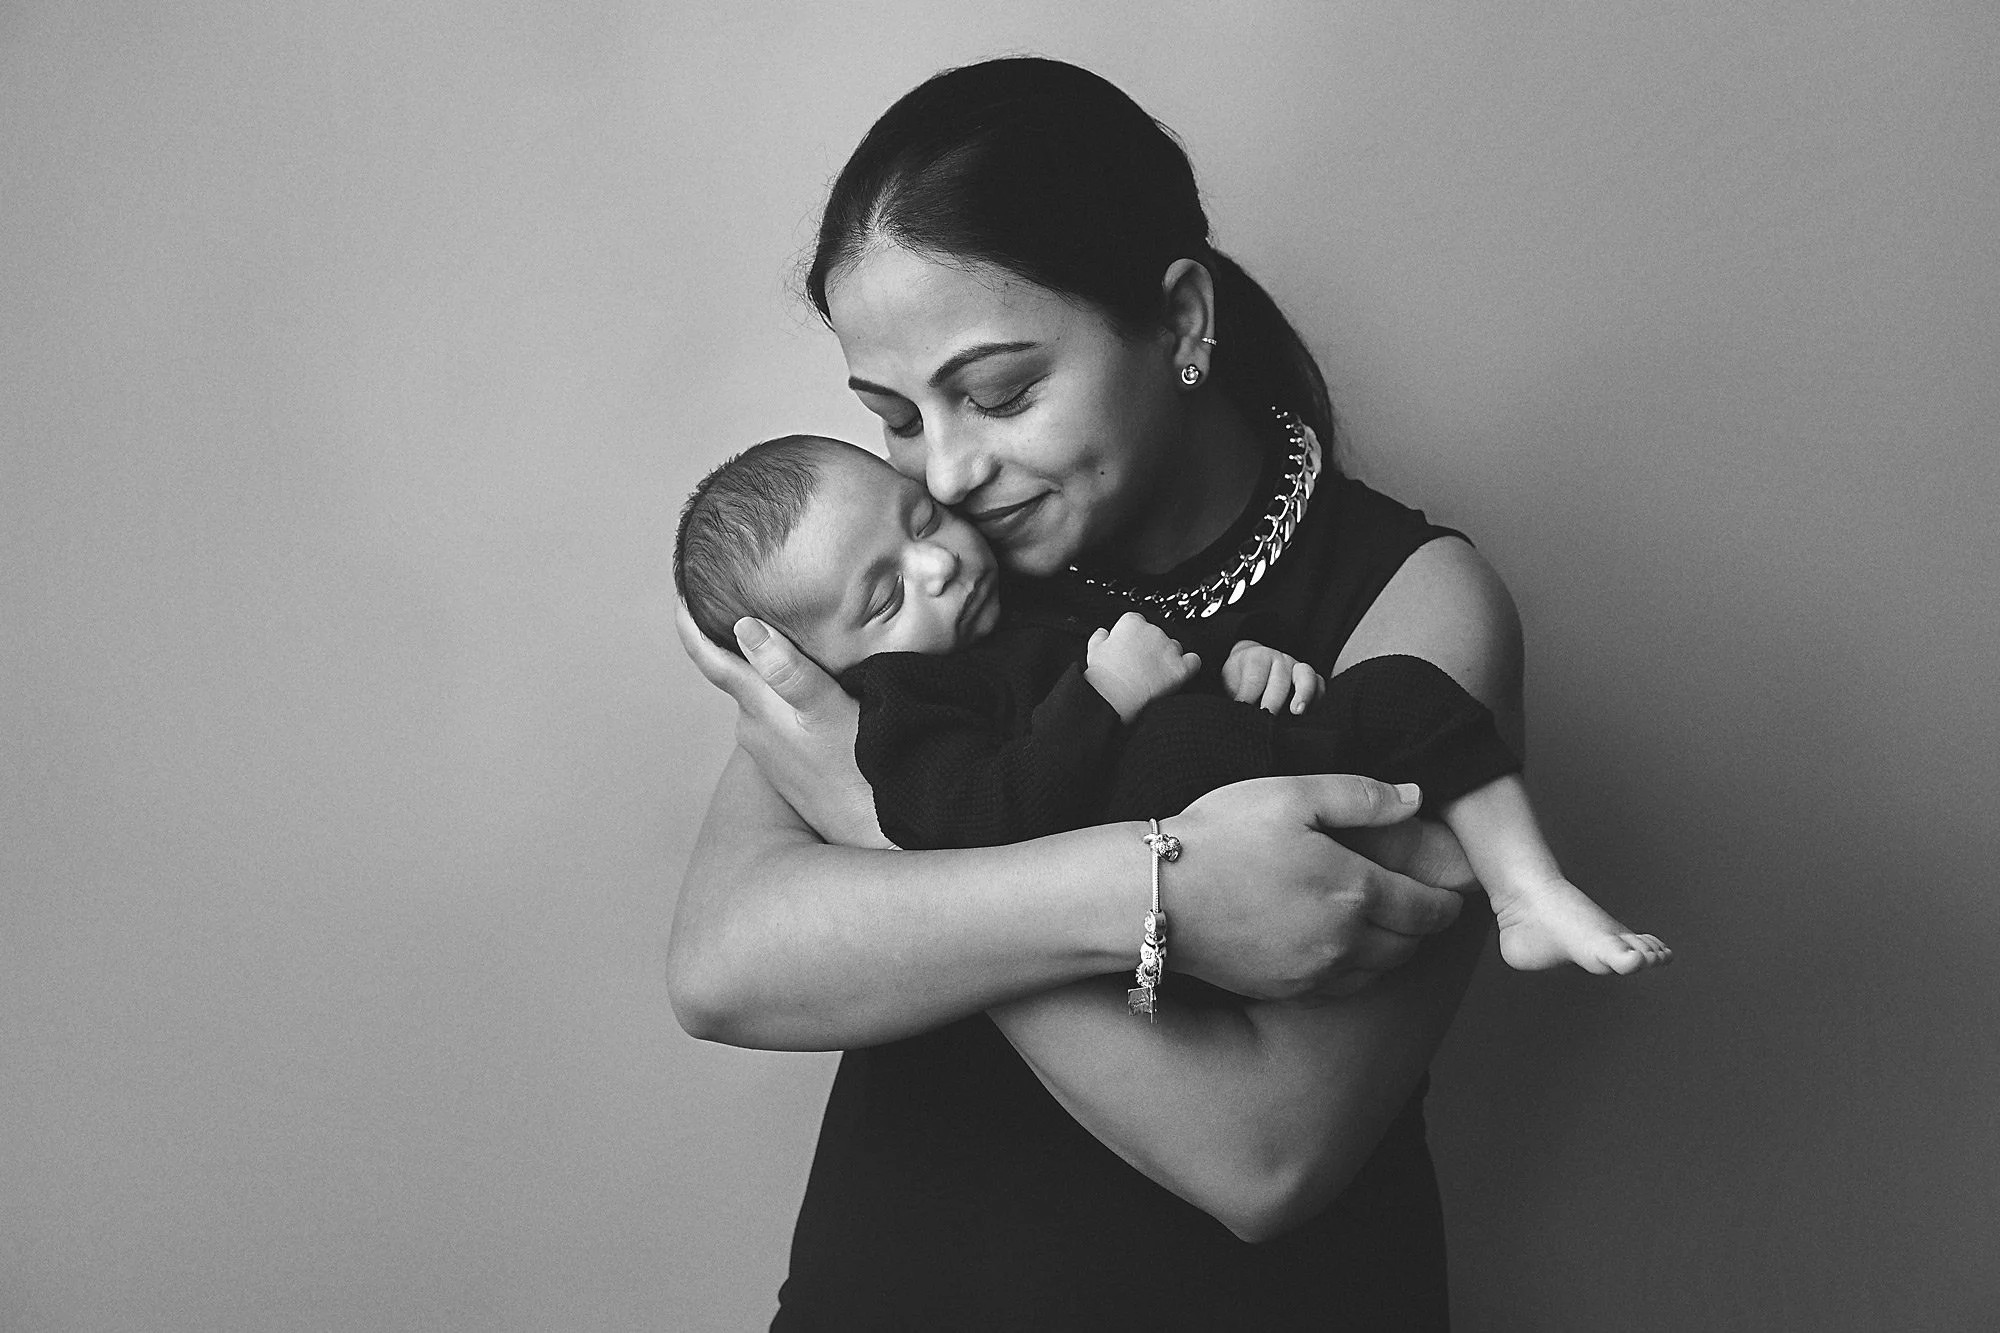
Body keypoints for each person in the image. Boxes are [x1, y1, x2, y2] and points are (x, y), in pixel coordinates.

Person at [665, 56, 1606, 1329]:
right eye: (892, 414)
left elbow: (1261, 1153)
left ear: (1176, 322)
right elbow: (725, 964)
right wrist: (1155, 887)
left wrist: (871, 812)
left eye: (998, 393)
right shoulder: (921, 575)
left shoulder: (1416, 597)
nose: (945, 470)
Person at [674, 432, 1671, 974]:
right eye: (887, 595)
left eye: (921, 518)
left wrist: (1246, 666)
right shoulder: (894, 707)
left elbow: (1162, 657)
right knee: (1200, 755)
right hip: (1167, 819)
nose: (939, 560)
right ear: (825, 662)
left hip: (1231, 748)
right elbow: (975, 817)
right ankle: (1405, 858)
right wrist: (1107, 694)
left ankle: (1523, 886)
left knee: (1408, 693)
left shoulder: (1020, 595)